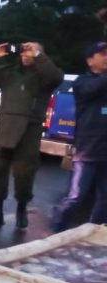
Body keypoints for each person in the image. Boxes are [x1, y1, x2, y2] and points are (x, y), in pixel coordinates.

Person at [0, 42, 63, 229]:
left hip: (29, 130)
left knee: (24, 173)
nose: (25, 54)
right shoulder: (9, 73)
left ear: (39, 53)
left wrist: (38, 56)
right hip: (4, 127)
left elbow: (55, 78)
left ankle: (21, 208)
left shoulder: (44, 76)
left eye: (30, 51)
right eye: (23, 51)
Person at [52, 42, 107, 231]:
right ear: (90, 61)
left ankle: (93, 232)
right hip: (88, 151)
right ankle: (57, 228)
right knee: (76, 196)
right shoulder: (82, 82)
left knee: (104, 199)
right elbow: (91, 90)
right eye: (103, 54)